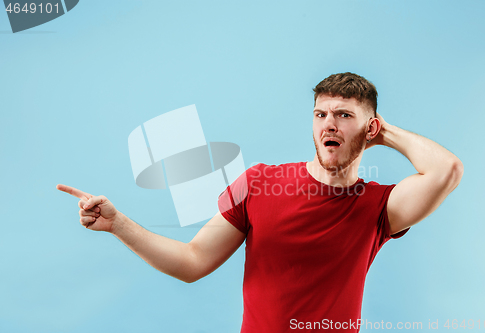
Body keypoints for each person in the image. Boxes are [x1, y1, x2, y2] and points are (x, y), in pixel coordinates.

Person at [57, 72, 463, 332]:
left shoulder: (379, 207)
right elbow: (192, 261)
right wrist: (118, 224)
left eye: (343, 115)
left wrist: (385, 131)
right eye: (320, 115)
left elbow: (447, 170)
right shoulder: (258, 182)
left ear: (369, 127)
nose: (329, 124)